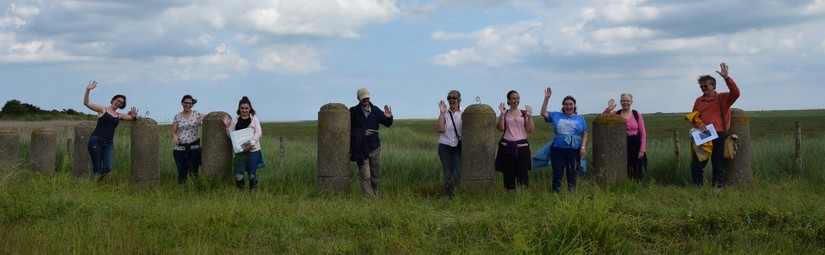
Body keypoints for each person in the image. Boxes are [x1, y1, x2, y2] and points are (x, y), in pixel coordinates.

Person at [689, 63, 740, 188]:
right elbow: (694, 117)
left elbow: (736, 93)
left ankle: (717, 189)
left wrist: (727, 78)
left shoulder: (723, 98)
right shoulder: (698, 100)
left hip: (719, 133)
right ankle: (698, 188)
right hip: (705, 134)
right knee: (697, 163)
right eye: (701, 87)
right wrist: (698, 124)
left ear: (713, 86)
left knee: (718, 163)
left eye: (706, 86)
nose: (703, 88)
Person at [82, 80, 139, 181]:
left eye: (121, 103)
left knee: (108, 167)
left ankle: (96, 181)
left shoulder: (119, 115)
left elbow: (132, 118)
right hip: (96, 141)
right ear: (113, 99)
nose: (119, 103)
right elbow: (86, 103)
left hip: (108, 143)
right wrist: (88, 90)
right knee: (97, 167)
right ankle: (96, 186)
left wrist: (135, 116)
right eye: (118, 100)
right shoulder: (102, 109)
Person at [540, 87, 588, 192]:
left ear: (574, 105)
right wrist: (546, 98)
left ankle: (571, 195)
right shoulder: (556, 115)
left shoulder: (580, 118)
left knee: (572, 173)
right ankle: (555, 194)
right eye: (566, 104)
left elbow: (584, 133)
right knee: (557, 172)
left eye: (571, 104)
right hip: (558, 149)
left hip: (574, 149)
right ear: (563, 106)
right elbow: (543, 113)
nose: (568, 106)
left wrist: (583, 147)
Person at [349, 87, 393, 197]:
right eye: (363, 99)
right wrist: (362, 133)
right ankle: (370, 200)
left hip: (375, 148)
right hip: (360, 149)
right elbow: (348, 130)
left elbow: (387, 124)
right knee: (365, 176)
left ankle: (375, 195)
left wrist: (389, 117)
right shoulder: (352, 112)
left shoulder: (376, 110)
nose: (366, 101)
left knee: (376, 175)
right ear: (358, 99)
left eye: (367, 98)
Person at [495, 90, 534, 193]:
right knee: (508, 174)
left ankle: (523, 197)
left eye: (517, 98)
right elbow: (500, 128)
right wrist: (502, 115)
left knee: (523, 173)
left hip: (522, 147)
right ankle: (510, 198)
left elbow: (530, 130)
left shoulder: (524, 113)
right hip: (507, 147)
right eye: (513, 98)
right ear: (508, 100)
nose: (516, 100)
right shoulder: (505, 113)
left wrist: (530, 117)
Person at [603, 93, 647, 181]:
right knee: (623, 168)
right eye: (623, 101)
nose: (625, 102)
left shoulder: (636, 114)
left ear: (631, 102)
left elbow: (643, 133)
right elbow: (602, 118)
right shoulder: (616, 114)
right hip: (621, 146)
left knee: (636, 169)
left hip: (635, 146)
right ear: (620, 102)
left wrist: (642, 150)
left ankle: (636, 187)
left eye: (627, 101)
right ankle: (624, 186)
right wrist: (608, 110)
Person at [224, 96, 263, 190]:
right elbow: (231, 135)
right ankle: (241, 191)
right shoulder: (235, 120)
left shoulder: (254, 119)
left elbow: (258, 132)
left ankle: (253, 192)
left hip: (253, 150)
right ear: (239, 108)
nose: (244, 110)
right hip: (239, 151)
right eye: (242, 108)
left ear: (250, 109)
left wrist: (252, 143)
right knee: (238, 174)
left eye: (246, 108)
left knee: (251, 173)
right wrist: (227, 126)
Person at [171, 95, 205, 185]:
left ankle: (197, 191)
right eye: (186, 103)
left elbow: (207, 116)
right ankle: (182, 193)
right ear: (182, 103)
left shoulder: (197, 113)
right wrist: (174, 136)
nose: (188, 105)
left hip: (194, 148)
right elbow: (173, 131)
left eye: (190, 103)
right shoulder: (177, 116)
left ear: (192, 104)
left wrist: (200, 120)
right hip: (180, 149)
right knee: (182, 173)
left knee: (194, 173)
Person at [436, 90, 463, 198]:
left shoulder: (464, 112)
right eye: (449, 98)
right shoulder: (445, 114)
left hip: (458, 147)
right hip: (445, 146)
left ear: (459, 99)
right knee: (447, 173)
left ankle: (447, 194)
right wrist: (442, 113)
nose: (452, 100)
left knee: (457, 172)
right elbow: (439, 129)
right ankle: (448, 197)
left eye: (454, 98)